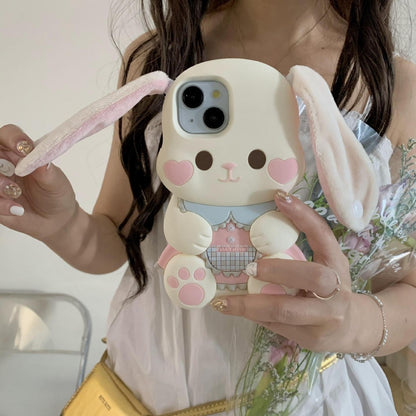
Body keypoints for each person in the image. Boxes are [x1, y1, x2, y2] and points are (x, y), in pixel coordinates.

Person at [1, 0, 416, 414]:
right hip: (141, 389)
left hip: (306, 401)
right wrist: (61, 223)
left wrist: (353, 323)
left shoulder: (397, 88)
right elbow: (116, 239)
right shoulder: (157, 60)